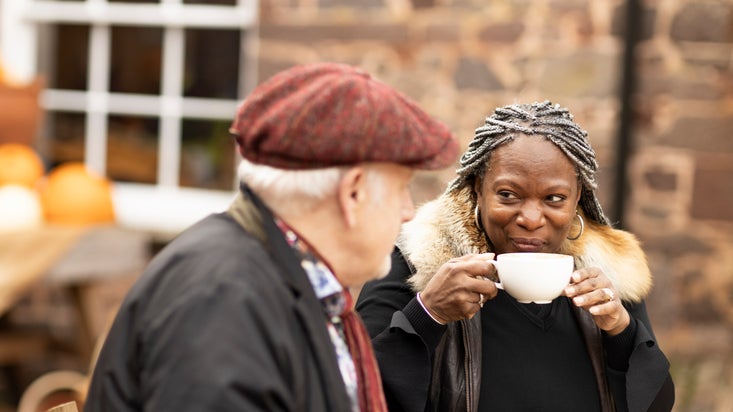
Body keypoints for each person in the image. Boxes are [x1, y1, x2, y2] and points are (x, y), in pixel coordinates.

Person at [83, 62, 460, 411]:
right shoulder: (224, 297)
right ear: (353, 193)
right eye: (401, 188)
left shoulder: (271, 277)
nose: (408, 210)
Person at [356, 101, 675, 412]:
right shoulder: (416, 262)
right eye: (508, 195)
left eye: (554, 198)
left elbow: (657, 403)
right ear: (478, 188)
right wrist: (428, 313)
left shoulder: (608, 273)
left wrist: (620, 329)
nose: (532, 218)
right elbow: (355, 393)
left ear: (577, 199)